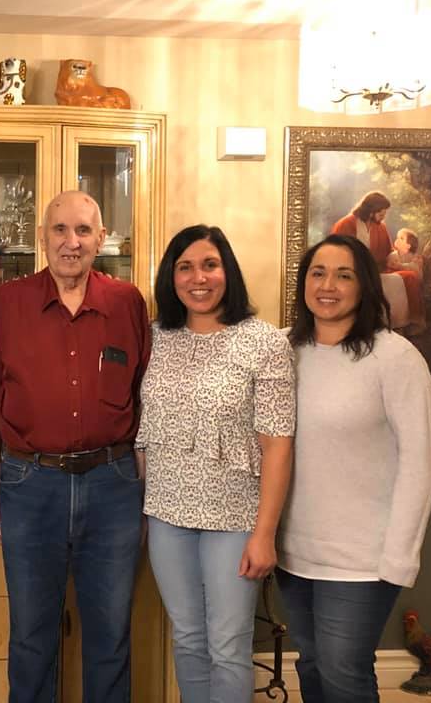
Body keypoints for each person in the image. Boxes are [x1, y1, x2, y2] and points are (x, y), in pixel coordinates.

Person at [0, 190, 149, 703]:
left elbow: (144, 400)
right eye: (59, 230)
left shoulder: (127, 303)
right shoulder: (8, 302)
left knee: (110, 636)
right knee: (31, 637)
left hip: (113, 485)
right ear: (42, 238)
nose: (70, 242)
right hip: (29, 485)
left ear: (101, 239)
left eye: (83, 230)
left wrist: (143, 492)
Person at [136, 224, 295, 703]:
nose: (198, 278)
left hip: (234, 519)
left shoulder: (264, 342)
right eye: (185, 267)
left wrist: (264, 534)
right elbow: (143, 432)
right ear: (171, 277)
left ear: (228, 272)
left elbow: (278, 444)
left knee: (227, 646)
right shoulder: (155, 338)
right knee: (187, 637)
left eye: (209, 265)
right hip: (166, 515)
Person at [279, 234, 431, 703]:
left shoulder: (395, 358)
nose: (328, 285)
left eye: (343, 275)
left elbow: (419, 464)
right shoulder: (282, 349)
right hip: (292, 552)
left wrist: (398, 558)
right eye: (318, 273)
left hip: (363, 559)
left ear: (365, 285)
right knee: (311, 665)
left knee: (343, 674)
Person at [331, 191, 393, 270]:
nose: (383, 217)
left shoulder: (381, 227)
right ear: (371, 212)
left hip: (374, 271)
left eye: (384, 215)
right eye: (381, 215)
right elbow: (336, 252)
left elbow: (388, 252)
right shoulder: (345, 224)